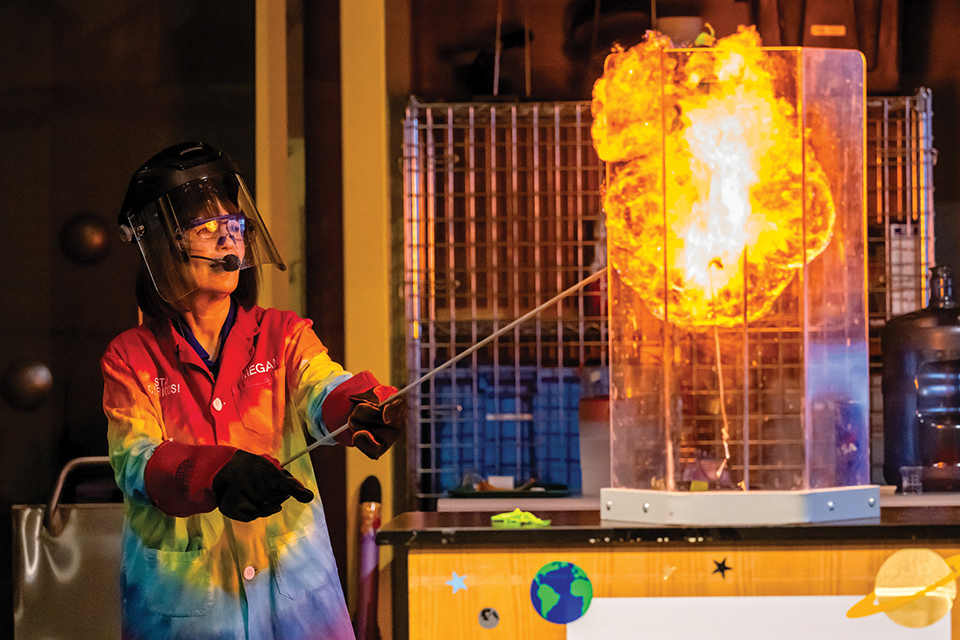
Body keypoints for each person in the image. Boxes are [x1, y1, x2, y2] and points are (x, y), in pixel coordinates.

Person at [101, 141, 404, 640]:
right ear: (161, 244)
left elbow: (322, 384)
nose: (229, 242)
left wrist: (361, 406)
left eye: (234, 226)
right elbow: (135, 460)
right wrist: (213, 474)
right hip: (187, 612)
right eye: (207, 228)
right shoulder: (130, 356)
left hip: (297, 603)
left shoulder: (282, 333)